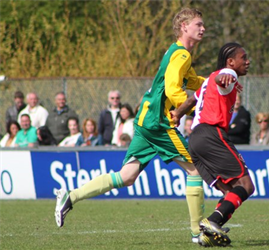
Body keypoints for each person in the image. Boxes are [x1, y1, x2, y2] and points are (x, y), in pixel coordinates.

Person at [55, 8, 206, 244]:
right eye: (198, 24)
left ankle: (70, 196)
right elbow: (173, 89)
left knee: (127, 176)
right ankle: (199, 233)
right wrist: (190, 108)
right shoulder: (182, 55)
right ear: (184, 27)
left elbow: (193, 81)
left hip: (146, 119)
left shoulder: (177, 52)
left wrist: (215, 81)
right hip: (158, 121)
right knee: (195, 170)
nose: (203, 28)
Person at [171, 43, 254, 247]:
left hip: (196, 140)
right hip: (211, 135)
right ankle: (213, 222)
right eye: (243, 57)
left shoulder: (208, 81)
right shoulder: (225, 74)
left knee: (229, 193)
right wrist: (227, 77)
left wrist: (177, 114)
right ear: (230, 62)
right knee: (245, 185)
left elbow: (192, 100)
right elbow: (223, 76)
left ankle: (207, 235)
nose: (247, 61)